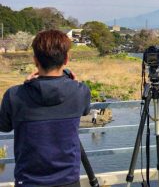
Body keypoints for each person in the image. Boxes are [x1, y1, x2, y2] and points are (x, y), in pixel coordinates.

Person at [0, 30, 91, 187]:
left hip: (28, 181)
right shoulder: (81, 91)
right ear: (66, 59)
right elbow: (85, 110)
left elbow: (4, 126)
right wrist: (75, 84)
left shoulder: (14, 95)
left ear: (35, 61)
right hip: (68, 180)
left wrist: (25, 86)